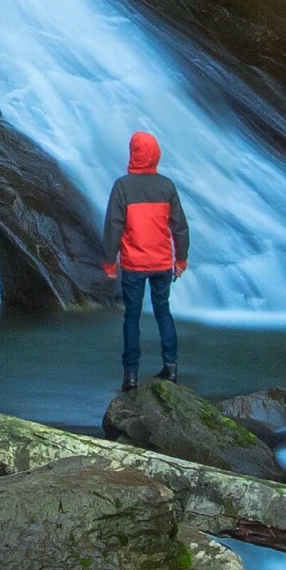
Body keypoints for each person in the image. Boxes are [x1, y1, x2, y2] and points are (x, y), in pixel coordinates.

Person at [101, 130, 189, 388]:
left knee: (132, 317)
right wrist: (181, 260)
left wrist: (109, 261)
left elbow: (113, 227)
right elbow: (180, 227)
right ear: (156, 155)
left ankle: (130, 375)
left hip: (134, 265)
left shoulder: (122, 186)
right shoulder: (167, 186)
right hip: (162, 263)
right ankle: (170, 368)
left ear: (133, 154)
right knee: (163, 312)